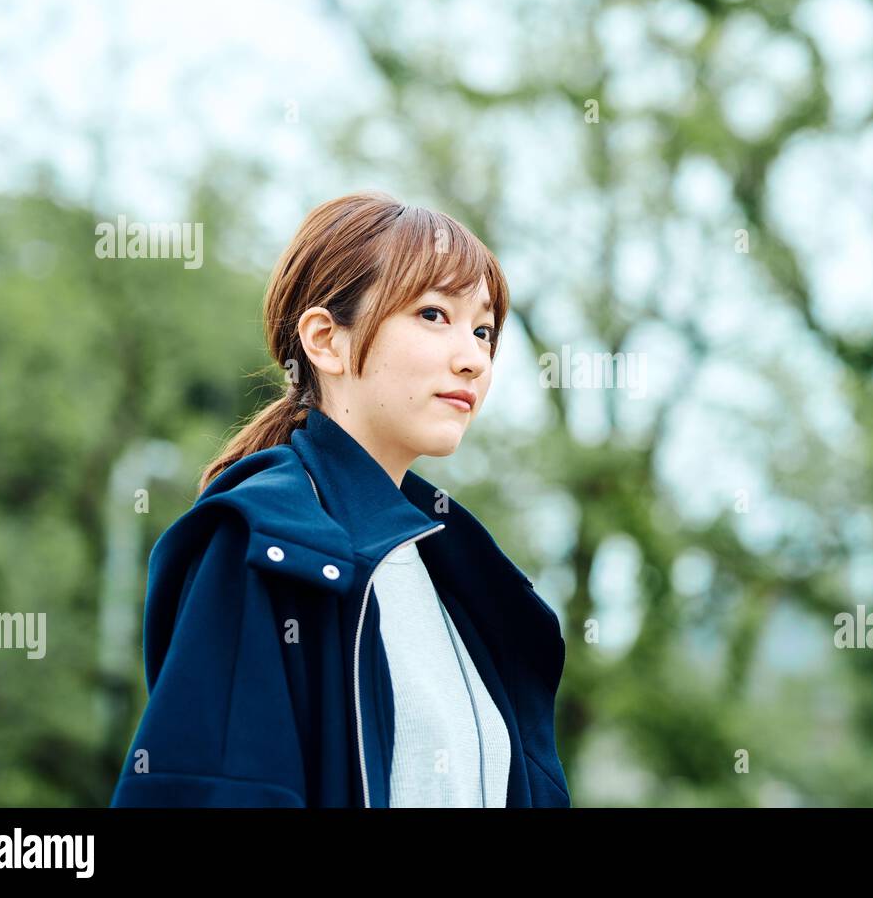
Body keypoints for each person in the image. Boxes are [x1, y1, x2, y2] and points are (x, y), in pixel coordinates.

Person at [110, 191, 570, 807]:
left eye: (483, 330)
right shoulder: (263, 545)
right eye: (434, 314)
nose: (473, 360)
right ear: (327, 340)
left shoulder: (460, 580)